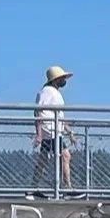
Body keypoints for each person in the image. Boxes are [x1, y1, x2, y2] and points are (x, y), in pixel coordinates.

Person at [32, 65, 73, 197]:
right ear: (55, 79)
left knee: (44, 159)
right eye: (62, 78)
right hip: (50, 130)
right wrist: (39, 133)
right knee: (65, 155)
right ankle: (67, 188)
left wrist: (69, 132)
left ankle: (34, 187)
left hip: (55, 130)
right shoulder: (47, 92)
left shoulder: (55, 93)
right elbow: (38, 111)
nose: (64, 80)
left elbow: (59, 115)